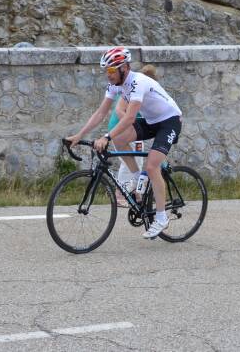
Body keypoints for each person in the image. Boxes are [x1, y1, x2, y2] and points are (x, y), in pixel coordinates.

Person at [65, 47, 182, 239]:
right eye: (106, 71)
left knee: (152, 166)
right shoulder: (115, 85)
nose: (108, 75)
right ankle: (136, 176)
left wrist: (106, 137)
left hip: (170, 121)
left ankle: (161, 218)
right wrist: (79, 135)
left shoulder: (137, 82)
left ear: (124, 68)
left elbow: (128, 118)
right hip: (152, 121)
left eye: (111, 70)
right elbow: (100, 113)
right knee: (120, 138)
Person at [109, 64, 158, 207]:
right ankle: (120, 194)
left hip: (128, 130)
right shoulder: (136, 88)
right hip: (124, 130)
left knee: (138, 161)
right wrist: (131, 125)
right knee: (129, 161)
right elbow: (119, 110)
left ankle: (137, 195)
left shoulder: (138, 87)